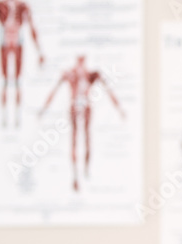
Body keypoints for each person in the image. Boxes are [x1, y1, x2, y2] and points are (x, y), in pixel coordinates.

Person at [38, 55, 125, 192]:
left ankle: (85, 171)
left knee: (86, 139)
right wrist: (44, 109)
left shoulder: (91, 75)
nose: (81, 64)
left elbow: (109, 91)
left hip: (85, 107)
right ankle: (76, 176)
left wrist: (119, 108)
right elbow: (54, 91)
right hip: (75, 107)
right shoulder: (71, 74)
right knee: (75, 140)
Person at [0, 0, 44, 127]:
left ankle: (17, 118)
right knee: (5, 82)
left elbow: (32, 28)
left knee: (18, 82)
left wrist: (39, 52)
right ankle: (4, 118)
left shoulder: (23, 6)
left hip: (18, 43)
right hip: (5, 43)